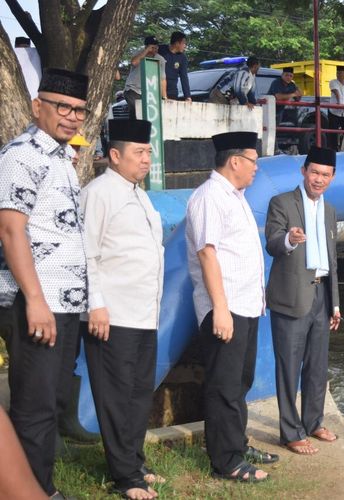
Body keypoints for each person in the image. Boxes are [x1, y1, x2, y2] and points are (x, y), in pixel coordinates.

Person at [0, 68, 89, 499]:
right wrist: (35, 300)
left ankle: (41, 488)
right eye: (62, 107)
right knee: (33, 408)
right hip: (35, 301)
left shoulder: (62, 157)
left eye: (79, 110)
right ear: (38, 107)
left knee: (49, 403)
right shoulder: (21, 155)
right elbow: (11, 231)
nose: (71, 117)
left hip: (65, 302)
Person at [81, 119, 164, 500]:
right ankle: (124, 476)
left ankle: (134, 460)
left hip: (144, 313)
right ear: (115, 156)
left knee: (137, 393)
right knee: (115, 395)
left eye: (148, 152)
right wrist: (95, 305)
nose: (146, 159)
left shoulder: (138, 193)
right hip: (112, 313)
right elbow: (87, 254)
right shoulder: (99, 193)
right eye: (139, 152)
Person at [185, 132, 274, 484]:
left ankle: (236, 444)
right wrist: (219, 309)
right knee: (224, 385)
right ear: (235, 161)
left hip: (246, 306)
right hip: (227, 307)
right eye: (253, 160)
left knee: (240, 381)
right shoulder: (210, 197)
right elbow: (207, 253)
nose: (256, 168)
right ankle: (226, 461)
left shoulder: (235, 196)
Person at [265, 146, 342, 456]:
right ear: (303, 171)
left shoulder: (330, 211)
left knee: (317, 366)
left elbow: (332, 261)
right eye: (314, 173)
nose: (319, 179)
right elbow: (272, 242)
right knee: (289, 366)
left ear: (332, 177)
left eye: (325, 175)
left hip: (322, 295)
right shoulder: (282, 203)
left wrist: (335, 303)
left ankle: (313, 422)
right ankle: (290, 432)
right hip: (291, 296)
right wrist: (289, 239)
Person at [124, 36, 167, 118]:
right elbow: (134, 62)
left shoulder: (160, 59)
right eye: (152, 47)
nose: (155, 49)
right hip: (133, 89)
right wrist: (147, 51)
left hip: (149, 92)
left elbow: (163, 79)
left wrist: (164, 96)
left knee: (146, 114)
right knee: (137, 111)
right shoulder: (139, 53)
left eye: (156, 47)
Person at [158, 31, 191, 101]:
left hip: (172, 92)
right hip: (157, 90)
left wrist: (187, 96)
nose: (185, 46)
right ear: (176, 43)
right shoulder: (160, 50)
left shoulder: (182, 58)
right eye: (184, 43)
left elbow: (184, 77)